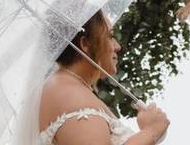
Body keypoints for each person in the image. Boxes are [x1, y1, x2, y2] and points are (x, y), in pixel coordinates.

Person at [37, 10, 170, 145]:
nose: (117, 46)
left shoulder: (61, 87)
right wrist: (150, 132)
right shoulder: (73, 96)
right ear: (85, 44)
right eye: (110, 36)